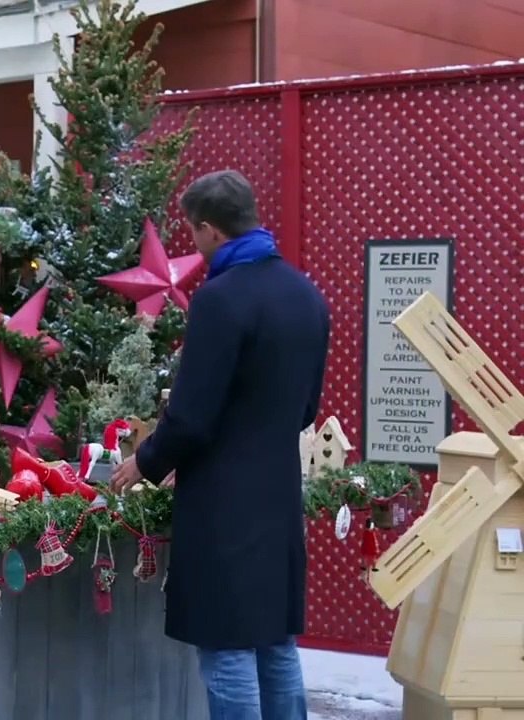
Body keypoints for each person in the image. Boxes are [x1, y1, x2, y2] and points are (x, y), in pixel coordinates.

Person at [110, 170, 329, 720]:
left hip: (221, 502)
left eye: (192, 230)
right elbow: (307, 409)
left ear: (208, 229)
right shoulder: (306, 296)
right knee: (276, 640)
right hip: (278, 493)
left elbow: (191, 416)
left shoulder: (219, 299)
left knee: (227, 644)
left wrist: (146, 460)